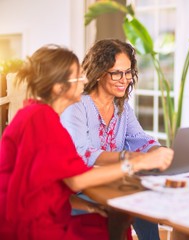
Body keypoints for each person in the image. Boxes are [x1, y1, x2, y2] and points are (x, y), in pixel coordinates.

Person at [0, 45, 173, 240]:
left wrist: (90, 206)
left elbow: (50, 184)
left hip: (49, 210)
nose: (85, 79)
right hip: (31, 225)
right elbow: (75, 180)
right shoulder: (41, 119)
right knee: (114, 223)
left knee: (114, 217)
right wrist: (137, 162)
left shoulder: (41, 115)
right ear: (59, 87)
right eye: (78, 76)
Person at [60, 39, 164, 239]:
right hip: (80, 190)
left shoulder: (122, 108)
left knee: (147, 199)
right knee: (132, 202)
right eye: (116, 73)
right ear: (99, 73)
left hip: (111, 184)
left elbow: (140, 139)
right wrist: (130, 158)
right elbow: (83, 154)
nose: (124, 79)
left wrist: (159, 152)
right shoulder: (77, 106)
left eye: (128, 72)